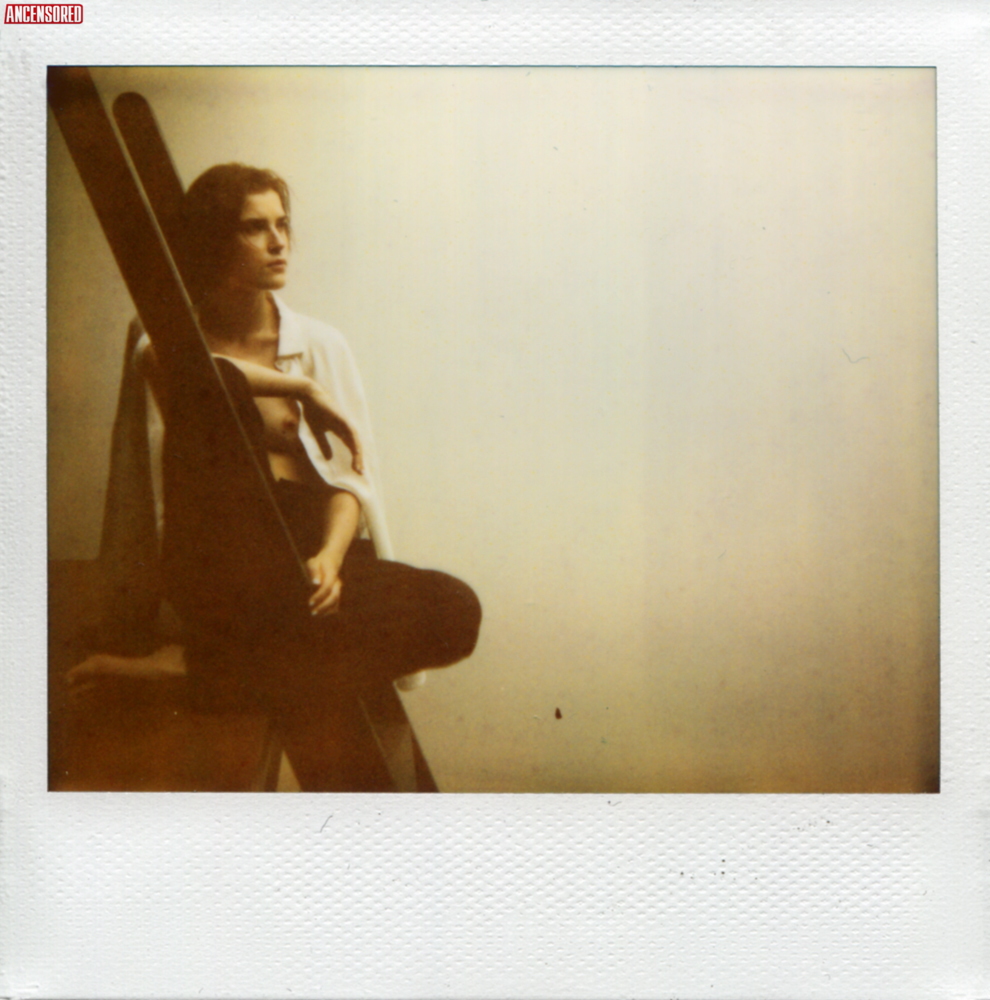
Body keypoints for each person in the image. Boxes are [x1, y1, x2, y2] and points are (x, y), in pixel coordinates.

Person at [69, 163, 481, 790]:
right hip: (224, 562)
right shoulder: (163, 339)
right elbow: (188, 372)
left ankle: (192, 670)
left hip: (307, 560)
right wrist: (300, 389)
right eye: (254, 228)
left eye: (283, 224)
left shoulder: (321, 343)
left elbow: (350, 480)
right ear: (214, 241)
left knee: (456, 611)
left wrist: (331, 558)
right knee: (226, 404)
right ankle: (220, 660)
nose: (279, 241)